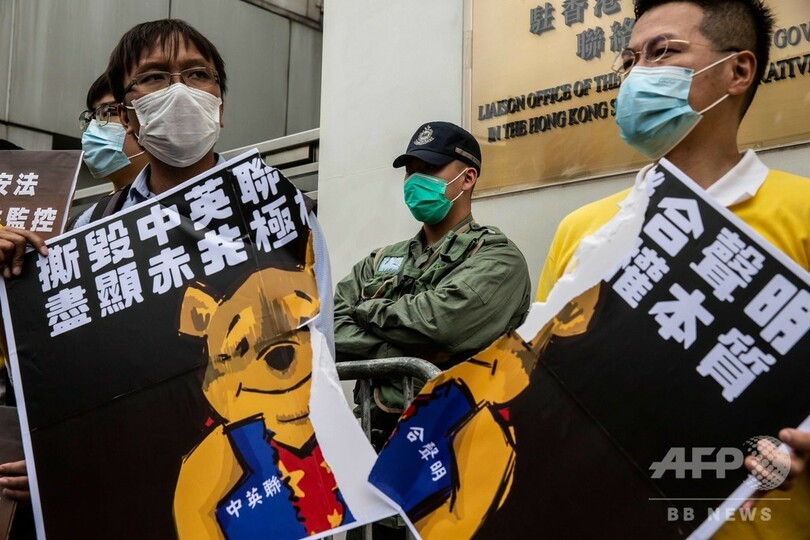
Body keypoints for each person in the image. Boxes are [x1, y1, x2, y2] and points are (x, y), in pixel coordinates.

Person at [0, 18, 334, 528]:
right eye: (154, 76)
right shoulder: (93, 231)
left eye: (197, 74)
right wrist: (58, 457)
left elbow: (319, 350)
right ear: (126, 116)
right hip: (129, 497)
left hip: (257, 491)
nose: (179, 90)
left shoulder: (276, 209)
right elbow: (67, 372)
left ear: (220, 106)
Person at [534, 0, 809, 536]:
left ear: (738, 70)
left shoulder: (802, 214)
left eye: (662, 52)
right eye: (630, 60)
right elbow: (541, 381)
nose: (638, 75)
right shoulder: (582, 230)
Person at [334, 121, 532, 448]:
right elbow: (328, 327)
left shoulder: (498, 258)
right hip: (378, 440)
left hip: (462, 440)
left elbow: (439, 324)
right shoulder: (380, 260)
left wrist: (365, 310)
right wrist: (402, 354)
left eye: (429, 169)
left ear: (467, 178)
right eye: (410, 171)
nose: (415, 180)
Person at [79, 73, 149, 191]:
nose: (93, 126)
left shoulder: (179, 200)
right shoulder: (108, 204)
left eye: (109, 112)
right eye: (93, 117)